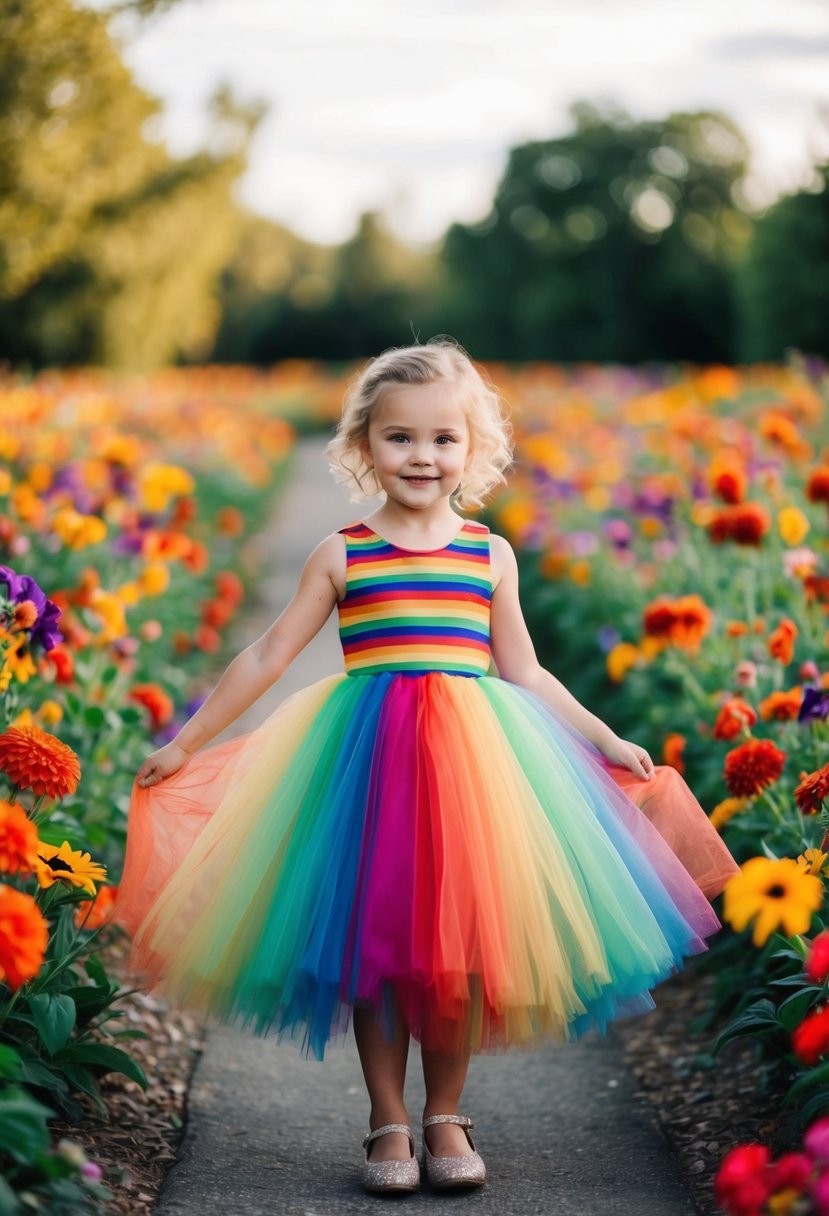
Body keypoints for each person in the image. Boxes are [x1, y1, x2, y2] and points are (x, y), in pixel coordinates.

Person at [112, 338, 741, 1196]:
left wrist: (599, 737)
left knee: (459, 958)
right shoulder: (343, 552)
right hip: (366, 771)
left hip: (476, 774)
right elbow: (264, 656)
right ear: (363, 445)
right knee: (380, 951)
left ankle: (446, 1112)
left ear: (472, 450)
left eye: (444, 439)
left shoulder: (488, 553)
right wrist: (187, 740)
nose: (422, 456)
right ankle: (388, 1121)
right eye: (399, 437)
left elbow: (523, 669)